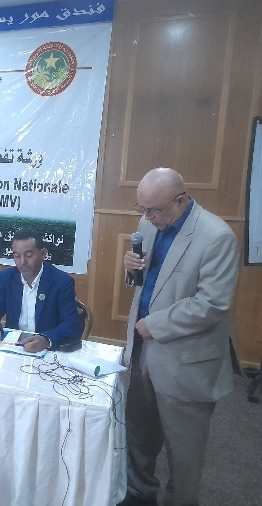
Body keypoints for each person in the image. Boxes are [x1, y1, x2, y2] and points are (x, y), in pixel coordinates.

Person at [118, 168, 239, 506]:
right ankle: (139, 493)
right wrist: (130, 268)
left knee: (183, 449)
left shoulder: (217, 237)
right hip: (143, 350)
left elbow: (211, 304)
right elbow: (148, 283)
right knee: (139, 433)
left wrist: (156, 324)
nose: (147, 217)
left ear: (180, 201)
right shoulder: (149, 224)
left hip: (186, 360)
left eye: (154, 210)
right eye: (142, 209)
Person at [0, 228, 81, 352]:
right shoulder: (6, 278)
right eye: (17, 256)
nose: (22, 262)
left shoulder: (61, 282)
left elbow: (72, 325)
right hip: (15, 347)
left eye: (28, 255)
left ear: (43, 253)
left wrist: (46, 340)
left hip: (46, 351)